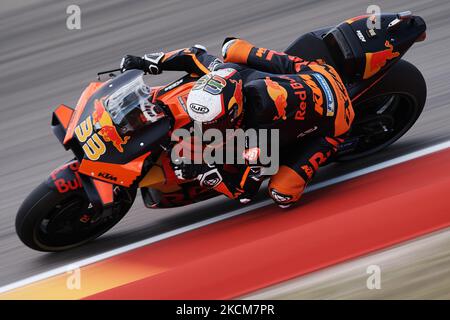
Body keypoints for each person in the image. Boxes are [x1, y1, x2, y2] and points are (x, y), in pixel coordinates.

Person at [120, 38, 354, 208]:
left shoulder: (259, 139)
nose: (202, 127)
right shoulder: (225, 73)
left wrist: (204, 169)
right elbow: (194, 55)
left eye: (211, 122)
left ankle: (321, 145)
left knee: (282, 195)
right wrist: (146, 63)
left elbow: (244, 192)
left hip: (335, 120)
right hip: (315, 72)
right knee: (230, 47)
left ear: (232, 112)